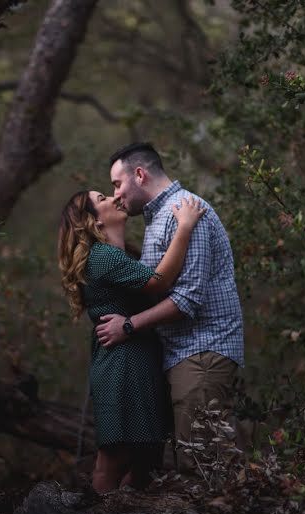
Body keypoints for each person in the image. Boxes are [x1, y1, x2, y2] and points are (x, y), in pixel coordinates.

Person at [95, 142, 245, 470]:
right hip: (183, 355)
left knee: (203, 467)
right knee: (190, 465)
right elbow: (156, 285)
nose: (116, 194)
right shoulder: (160, 219)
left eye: (117, 184)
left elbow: (186, 300)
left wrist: (129, 325)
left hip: (202, 352)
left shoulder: (186, 210)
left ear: (139, 174)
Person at [57, 190, 205, 493]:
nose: (113, 198)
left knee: (145, 460)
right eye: (102, 198)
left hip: (139, 359)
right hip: (121, 366)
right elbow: (159, 281)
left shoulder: (123, 256)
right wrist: (186, 226)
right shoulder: (103, 256)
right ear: (94, 221)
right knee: (113, 458)